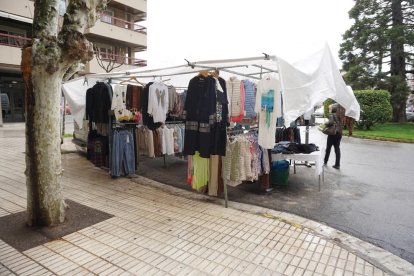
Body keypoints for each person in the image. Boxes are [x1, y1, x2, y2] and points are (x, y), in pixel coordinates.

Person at [324, 103, 343, 169]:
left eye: (329, 108)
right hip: (339, 133)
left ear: (332, 109)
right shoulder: (340, 115)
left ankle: (325, 162)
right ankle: (337, 164)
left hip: (333, 134)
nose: (329, 110)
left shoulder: (332, 115)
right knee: (337, 148)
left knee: (328, 148)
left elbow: (330, 123)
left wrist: (326, 123)